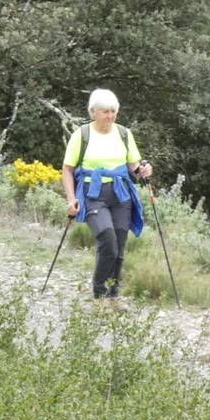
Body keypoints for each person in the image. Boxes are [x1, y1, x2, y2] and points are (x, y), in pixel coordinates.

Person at [60, 88, 152, 299]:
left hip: (121, 195)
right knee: (107, 239)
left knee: (119, 245)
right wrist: (71, 200)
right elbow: (67, 169)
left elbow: (133, 165)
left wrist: (142, 170)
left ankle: (113, 295)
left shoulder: (123, 133)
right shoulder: (82, 135)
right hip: (93, 194)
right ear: (93, 112)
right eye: (105, 111)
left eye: (113, 111)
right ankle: (99, 291)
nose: (110, 116)